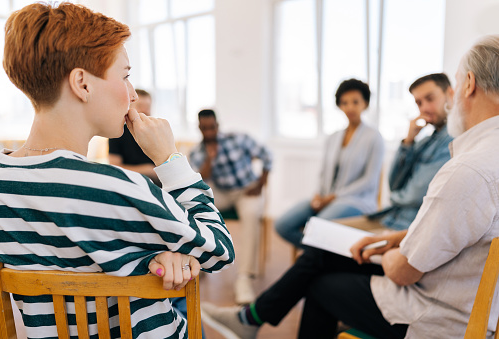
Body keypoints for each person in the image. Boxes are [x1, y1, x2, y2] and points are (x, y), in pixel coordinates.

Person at [200, 34, 499, 339]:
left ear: (467, 84)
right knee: (321, 252)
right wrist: (398, 237)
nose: (425, 107)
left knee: (320, 276)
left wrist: (384, 251)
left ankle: (250, 318)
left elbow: (404, 267)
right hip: (454, 290)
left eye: (432, 98)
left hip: (435, 315)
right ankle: (249, 318)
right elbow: (444, 219)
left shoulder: (466, 167)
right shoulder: (478, 156)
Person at [0, 3, 234, 338]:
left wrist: (148, 257)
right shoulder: (119, 188)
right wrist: (170, 159)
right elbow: (219, 249)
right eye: (125, 76)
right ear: (82, 84)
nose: (133, 95)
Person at [335, 73, 454, 233]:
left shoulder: (452, 139)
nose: (424, 108)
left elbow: (416, 195)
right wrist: (408, 142)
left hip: (408, 226)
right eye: (419, 103)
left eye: (430, 99)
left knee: (328, 242)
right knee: (328, 233)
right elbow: (394, 183)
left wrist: (394, 199)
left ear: (450, 94)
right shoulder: (425, 141)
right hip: (392, 217)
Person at [275, 79, 384, 247]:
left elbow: (369, 180)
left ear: (365, 103)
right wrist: (318, 195)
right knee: (282, 225)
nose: (350, 107)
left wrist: (335, 197)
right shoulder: (333, 138)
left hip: (357, 201)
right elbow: (323, 172)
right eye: (344, 103)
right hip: (327, 198)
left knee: (316, 228)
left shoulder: (374, 137)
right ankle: (318, 255)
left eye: (355, 102)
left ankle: (315, 256)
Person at [189, 109, 272, 305]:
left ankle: (244, 279)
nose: (209, 132)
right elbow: (200, 178)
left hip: (248, 190)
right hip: (224, 192)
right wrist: (210, 158)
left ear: (218, 125)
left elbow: (267, 156)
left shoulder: (238, 139)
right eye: (204, 129)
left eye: (212, 127)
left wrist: (260, 184)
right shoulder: (197, 151)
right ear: (199, 128)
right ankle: (202, 263)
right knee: (194, 204)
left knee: (251, 215)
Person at [109, 89, 161, 186]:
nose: (145, 111)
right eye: (140, 106)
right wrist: (147, 170)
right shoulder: (118, 132)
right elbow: (114, 167)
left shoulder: (156, 132)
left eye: (148, 107)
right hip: (129, 183)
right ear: (129, 108)